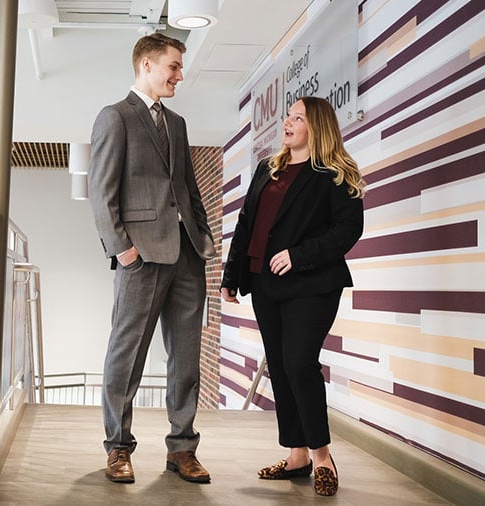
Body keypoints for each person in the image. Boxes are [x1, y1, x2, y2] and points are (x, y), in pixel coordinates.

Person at [87, 32, 216, 485]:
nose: (180, 75)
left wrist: (204, 238)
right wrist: (122, 249)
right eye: (174, 66)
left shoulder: (177, 123)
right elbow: (101, 192)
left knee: (186, 357)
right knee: (127, 354)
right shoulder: (115, 117)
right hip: (140, 257)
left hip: (186, 256)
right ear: (146, 64)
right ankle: (118, 447)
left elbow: (187, 187)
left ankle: (182, 449)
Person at [220, 96, 365, 496]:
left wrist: (298, 256)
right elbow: (247, 223)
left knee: (300, 363)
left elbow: (348, 229)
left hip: (312, 284)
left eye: (297, 118)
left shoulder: (335, 172)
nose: (287, 123)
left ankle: (321, 456)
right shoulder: (269, 168)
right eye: (287, 116)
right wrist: (231, 276)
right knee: (282, 368)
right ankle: (296, 453)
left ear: (315, 127)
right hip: (265, 284)